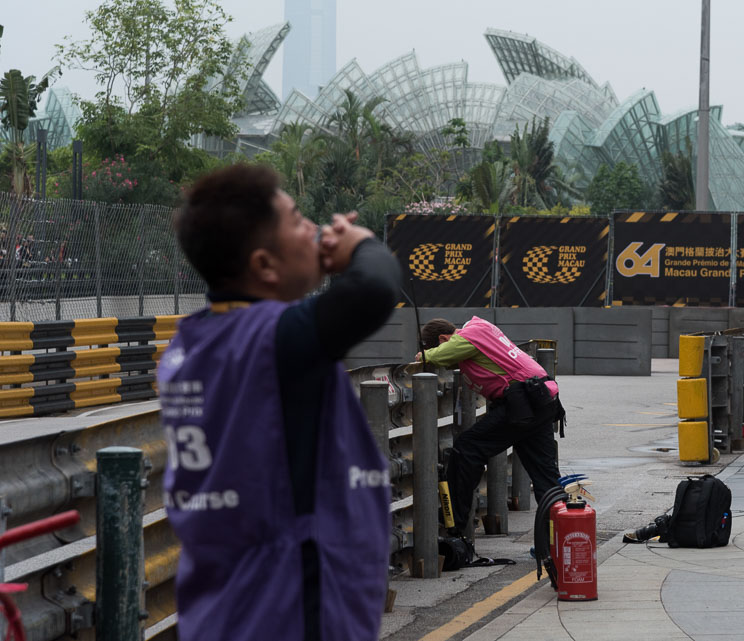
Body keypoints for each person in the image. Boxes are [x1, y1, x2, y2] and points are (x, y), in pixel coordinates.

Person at [157, 164, 402, 641]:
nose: (315, 231)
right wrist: (361, 245)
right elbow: (374, 289)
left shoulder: (192, 344)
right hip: (290, 605)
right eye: (297, 221)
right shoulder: (277, 340)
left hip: (225, 608)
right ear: (265, 266)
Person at [418, 317, 564, 539]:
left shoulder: (466, 337)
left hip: (523, 402)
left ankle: (454, 526)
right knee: (546, 478)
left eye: (443, 345)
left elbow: (437, 357)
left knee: (467, 448)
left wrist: (423, 355)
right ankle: (560, 540)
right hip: (541, 399)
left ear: (443, 339)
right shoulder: (482, 327)